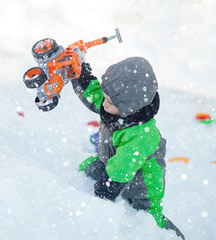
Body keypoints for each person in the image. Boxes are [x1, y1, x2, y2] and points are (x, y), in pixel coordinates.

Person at [71, 57, 185, 239]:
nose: (104, 104)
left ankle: (172, 235)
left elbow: (121, 170)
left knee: (149, 225)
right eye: (105, 97)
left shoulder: (141, 134)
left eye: (109, 101)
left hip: (142, 194)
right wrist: (80, 76)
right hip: (111, 166)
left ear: (129, 107)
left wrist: (101, 196)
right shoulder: (116, 108)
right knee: (85, 172)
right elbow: (95, 97)